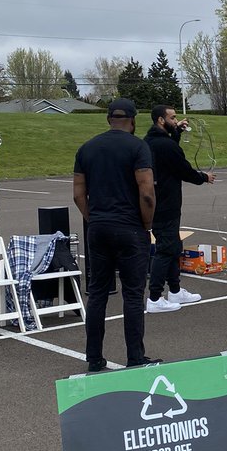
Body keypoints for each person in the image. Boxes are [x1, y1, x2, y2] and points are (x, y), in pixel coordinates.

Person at [73, 99, 158, 372]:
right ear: (132, 121)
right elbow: (147, 192)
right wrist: (146, 224)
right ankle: (135, 356)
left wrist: (94, 218)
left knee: (98, 293)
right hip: (130, 227)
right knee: (133, 294)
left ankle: (94, 357)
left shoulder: (87, 148)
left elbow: (78, 195)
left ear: (109, 119)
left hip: (98, 228)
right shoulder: (138, 147)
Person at [144, 104, 216, 313]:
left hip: (159, 202)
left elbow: (169, 156)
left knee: (173, 247)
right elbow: (182, 168)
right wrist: (204, 177)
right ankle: (155, 298)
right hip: (166, 204)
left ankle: (175, 291)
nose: (176, 121)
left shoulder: (150, 141)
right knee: (166, 249)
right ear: (161, 120)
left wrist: (176, 132)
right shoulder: (165, 145)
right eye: (173, 118)